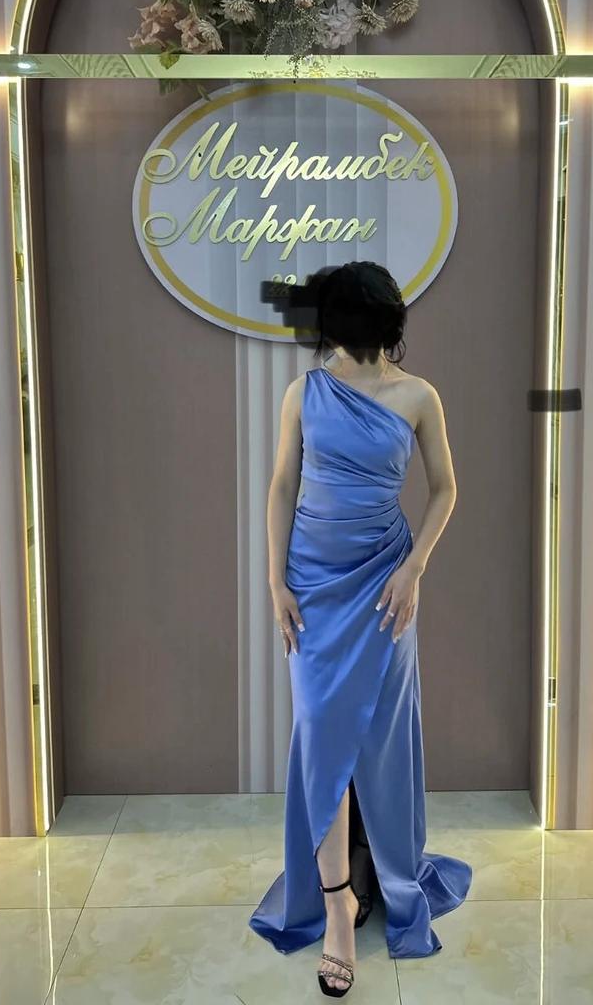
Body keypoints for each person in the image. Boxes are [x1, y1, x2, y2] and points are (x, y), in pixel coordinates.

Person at [248, 262, 472, 997]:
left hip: (385, 586)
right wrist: (275, 581)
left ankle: (382, 868)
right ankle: (337, 904)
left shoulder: (417, 396)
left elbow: (445, 488)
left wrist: (415, 570)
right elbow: (283, 484)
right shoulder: (305, 392)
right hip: (313, 586)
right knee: (321, 734)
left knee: (379, 736)